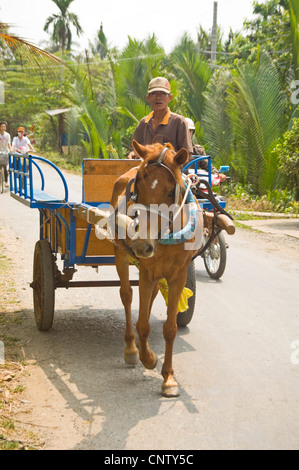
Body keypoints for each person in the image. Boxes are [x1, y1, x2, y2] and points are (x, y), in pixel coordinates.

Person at [128, 77, 193, 159]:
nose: (158, 98)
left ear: (170, 98)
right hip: (145, 170)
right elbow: (133, 149)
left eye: (162, 93)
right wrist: (133, 153)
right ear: (148, 98)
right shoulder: (143, 123)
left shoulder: (178, 122)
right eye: (154, 93)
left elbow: (186, 154)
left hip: (170, 171)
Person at [185, 117, 226, 182]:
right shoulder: (173, 150)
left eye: (189, 131)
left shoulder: (198, 151)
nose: (186, 134)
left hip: (193, 183)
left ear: (192, 133)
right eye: (184, 131)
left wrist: (217, 174)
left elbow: (207, 166)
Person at [0, 121, 12, 187]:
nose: (2, 128)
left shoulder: (7, 135)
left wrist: (11, 149)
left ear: (5, 128)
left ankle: (6, 182)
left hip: (5, 151)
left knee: (4, 166)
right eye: (1, 126)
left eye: (4, 127)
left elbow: (9, 143)